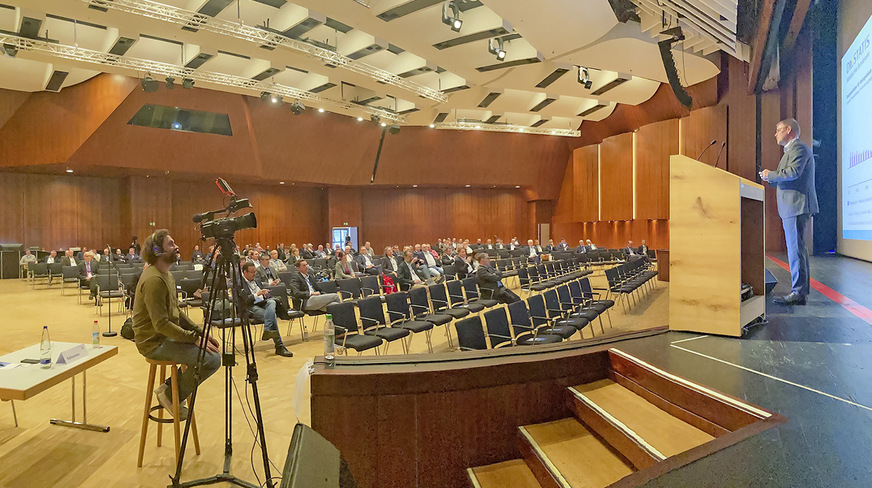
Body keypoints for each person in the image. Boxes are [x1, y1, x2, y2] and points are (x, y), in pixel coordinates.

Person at [132, 229, 221, 419]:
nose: (177, 246)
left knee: (211, 350)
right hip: (153, 343)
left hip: (164, 337)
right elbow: (161, 325)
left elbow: (176, 313)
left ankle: (168, 387)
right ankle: (171, 395)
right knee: (211, 359)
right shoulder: (154, 279)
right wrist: (193, 339)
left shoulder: (166, 275)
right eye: (171, 244)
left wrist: (200, 333)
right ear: (158, 251)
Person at [760, 118, 819, 305]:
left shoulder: (798, 148)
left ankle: (798, 292)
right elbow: (788, 175)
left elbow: (793, 172)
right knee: (796, 250)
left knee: (796, 250)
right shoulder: (791, 150)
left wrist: (771, 175)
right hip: (791, 207)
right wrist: (771, 178)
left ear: (788, 129)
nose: (775, 134)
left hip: (797, 206)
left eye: (778, 130)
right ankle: (799, 291)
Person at [240, 262, 293, 357]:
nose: (254, 274)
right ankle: (279, 346)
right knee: (271, 316)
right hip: (250, 307)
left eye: (255, 271)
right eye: (252, 272)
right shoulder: (239, 284)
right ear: (245, 272)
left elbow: (265, 296)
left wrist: (266, 294)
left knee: (272, 302)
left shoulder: (256, 280)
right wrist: (257, 294)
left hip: (262, 303)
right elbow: (246, 301)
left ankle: (268, 330)